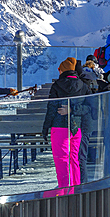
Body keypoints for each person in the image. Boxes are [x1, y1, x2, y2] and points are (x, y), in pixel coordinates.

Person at [41, 58, 91, 188]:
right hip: (77, 127)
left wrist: (46, 126)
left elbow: (51, 108)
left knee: (61, 159)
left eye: (59, 69)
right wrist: (74, 109)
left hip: (59, 127)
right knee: (73, 159)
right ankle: (76, 187)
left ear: (62, 70)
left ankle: (64, 188)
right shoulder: (83, 85)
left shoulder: (57, 85)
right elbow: (90, 107)